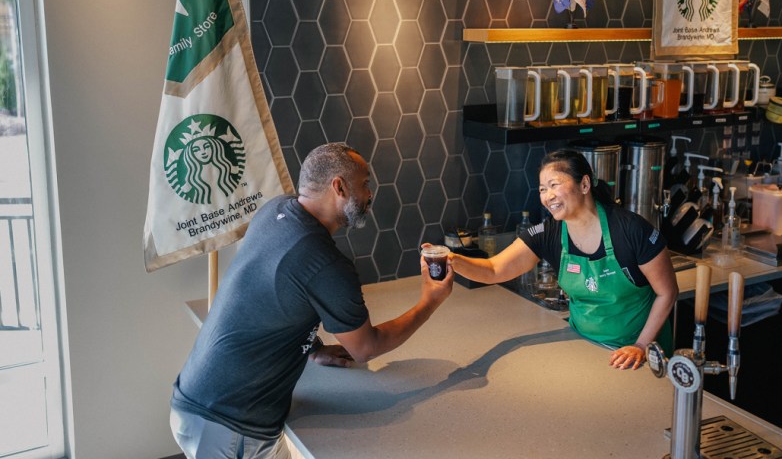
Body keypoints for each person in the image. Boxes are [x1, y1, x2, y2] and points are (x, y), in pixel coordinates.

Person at [170, 142, 454, 459]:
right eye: (365, 184)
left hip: (194, 401)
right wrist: (430, 301)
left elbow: (271, 294)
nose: (370, 194)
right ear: (339, 187)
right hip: (231, 426)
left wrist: (313, 348)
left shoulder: (274, 210)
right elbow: (365, 348)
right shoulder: (325, 263)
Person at [449, 148, 678, 370]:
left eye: (554, 185)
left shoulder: (630, 229)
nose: (547, 196)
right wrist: (450, 260)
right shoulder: (549, 233)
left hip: (638, 359)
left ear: (585, 184)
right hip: (585, 349)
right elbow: (493, 270)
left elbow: (667, 292)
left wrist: (640, 345)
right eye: (541, 189)